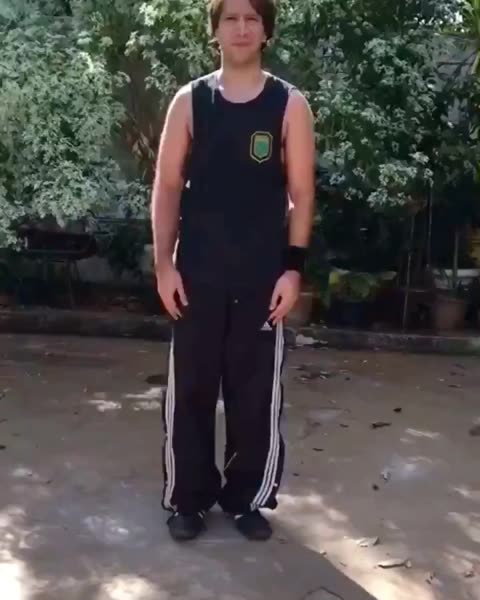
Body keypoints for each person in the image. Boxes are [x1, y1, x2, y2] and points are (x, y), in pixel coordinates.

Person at [151, 0, 315, 542]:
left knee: (254, 395)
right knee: (191, 392)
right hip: (196, 276)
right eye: (230, 18)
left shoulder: (288, 104)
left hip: (261, 280)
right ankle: (188, 499)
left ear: (266, 30)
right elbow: (167, 186)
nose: (241, 28)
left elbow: (301, 194)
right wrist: (164, 265)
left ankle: (246, 499)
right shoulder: (190, 101)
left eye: (252, 18)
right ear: (215, 30)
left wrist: (293, 271)